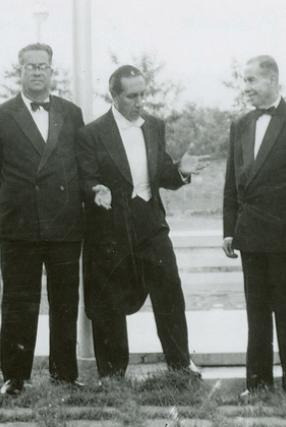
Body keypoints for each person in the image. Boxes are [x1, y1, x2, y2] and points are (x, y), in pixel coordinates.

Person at [77, 65, 209, 379]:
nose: (139, 102)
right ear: (115, 95)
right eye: (132, 96)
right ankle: (111, 373)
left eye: (142, 95)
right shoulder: (92, 133)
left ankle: (180, 363)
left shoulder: (154, 126)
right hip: (110, 227)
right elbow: (85, 177)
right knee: (109, 299)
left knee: (169, 291)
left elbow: (162, 173)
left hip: (150, 224)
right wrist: (95, 190)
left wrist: (182, 170)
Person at [0, 43, 85, 395]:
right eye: (30, 66)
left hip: (64, 224)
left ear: (52, 71)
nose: (37, 72)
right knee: (17, 302)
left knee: (65, 301)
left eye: (43, 66)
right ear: (20, 71)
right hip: (20, 225)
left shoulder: (71, 113)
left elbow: (79, 165)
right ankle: (15, 377)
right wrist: (24, 198)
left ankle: (65, 374)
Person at [222, 55, 286, 398]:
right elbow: (231, 181)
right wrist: (229, 229)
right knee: (256, 314)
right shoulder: (239, 124)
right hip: (249, 236)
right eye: (244, 80)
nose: (246, 87)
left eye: (251, 80)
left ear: (272, 80)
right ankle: (258, 385)